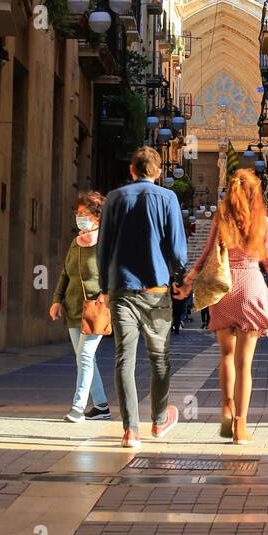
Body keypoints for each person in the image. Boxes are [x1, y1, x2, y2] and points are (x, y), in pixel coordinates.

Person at [176, 168, 268, 444]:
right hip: (251, 288)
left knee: (226, 357)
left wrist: (187, 284)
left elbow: (205, 255)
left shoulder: (222, 219)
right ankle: (241, 426)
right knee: (245, 364)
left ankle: (226, 411)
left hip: (224, 291)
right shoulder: (263, 223)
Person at [97, 145, 188, 450]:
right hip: (156, 291)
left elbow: (103, 247)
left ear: (131, 170)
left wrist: (104, 286)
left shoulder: (114, 198)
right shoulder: (168, 198)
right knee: (159, 358)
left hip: (122, 290)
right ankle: (159, 421)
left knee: (124, 358)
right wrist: (179, 276)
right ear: (158, 172)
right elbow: (177, 249)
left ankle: (130, 431)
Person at [50, 191, 111, 424]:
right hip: (73, 308)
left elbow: (112, 272)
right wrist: (57, 300)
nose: (79, 217)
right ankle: (102, 406)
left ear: (96, 217)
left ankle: (78, 407)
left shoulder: (105, 244)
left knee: (85, 355)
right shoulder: (75, 244)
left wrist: (106, 294)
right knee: (83, 358)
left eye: (84, 213)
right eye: (78, 213)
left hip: (96, 308)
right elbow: (65, 274)